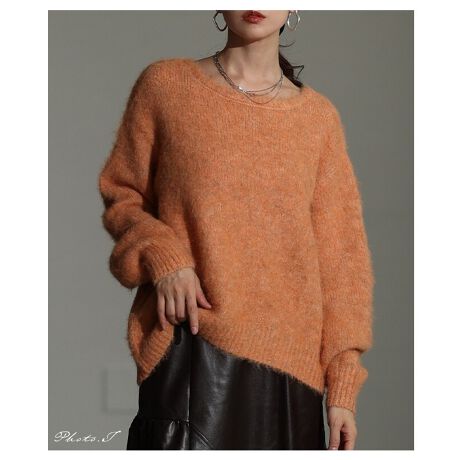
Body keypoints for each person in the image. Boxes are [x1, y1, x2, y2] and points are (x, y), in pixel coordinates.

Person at [98, 10, 375, 450]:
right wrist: (165, 257)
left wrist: (342, 384)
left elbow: (343, 261)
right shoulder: (166, 87)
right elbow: (123, 195)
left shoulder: (318, 120)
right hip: (193, 348)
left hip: (291, 377)